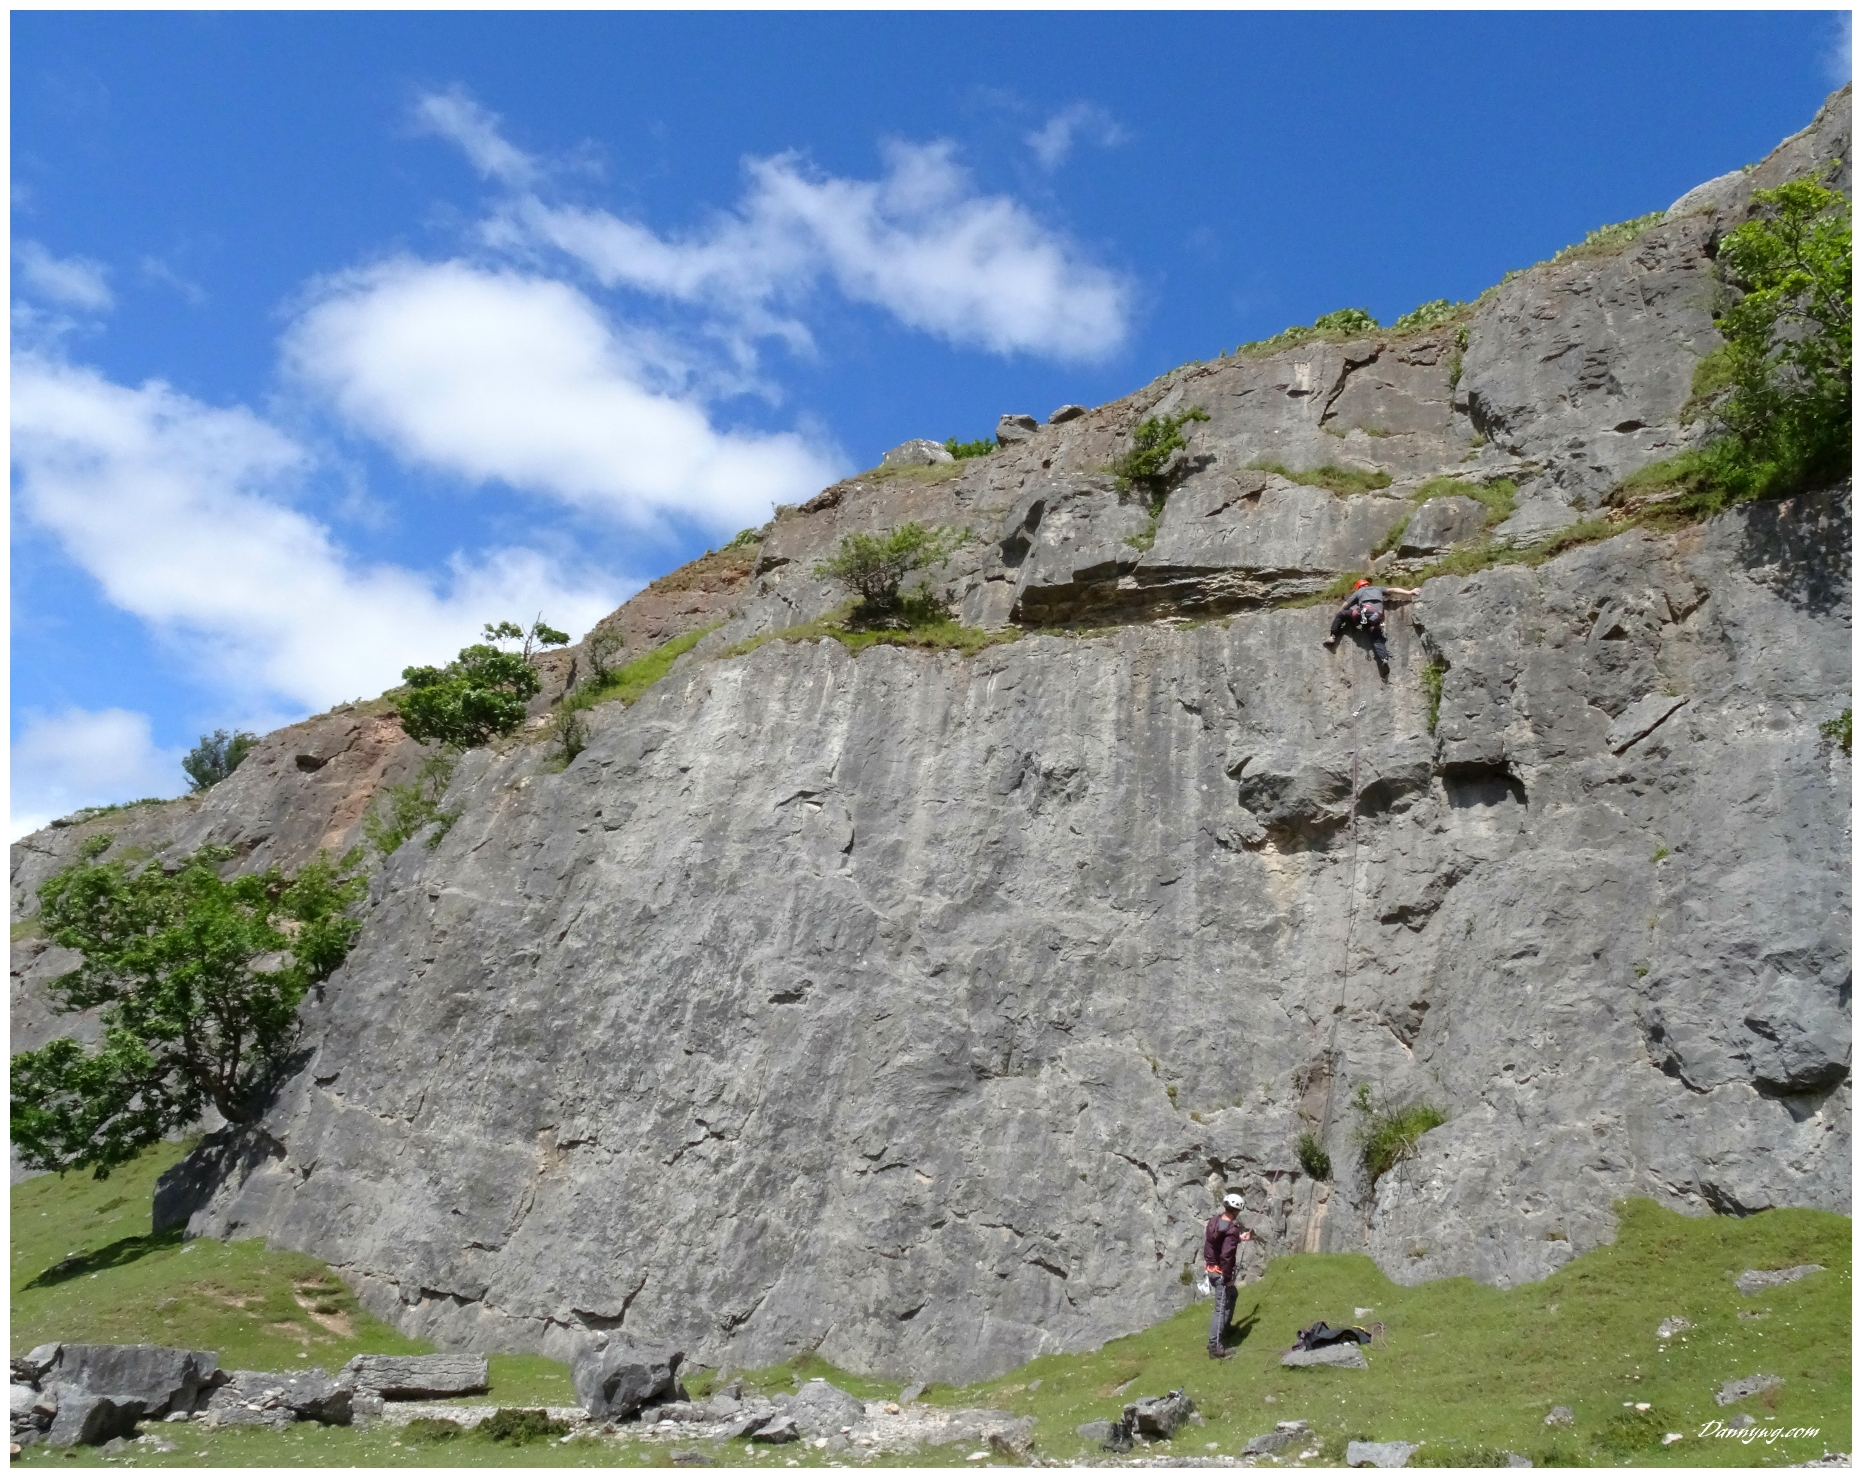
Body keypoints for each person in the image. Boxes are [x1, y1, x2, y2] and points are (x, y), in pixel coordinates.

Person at [1202, 1191, 1253, 1358]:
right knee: (1220, 1308)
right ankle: (1214, 1347)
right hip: (1220, 1273)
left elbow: (1220, 1239)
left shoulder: (1215, 1221)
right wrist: (1227, 1276)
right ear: (1236, 1211)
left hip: (1211, 1268)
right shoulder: (1231, 1230)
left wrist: (1238, 1238)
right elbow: (1226, 1255)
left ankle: (1225, 1328)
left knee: (1232, 1294)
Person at [1322, 580, 1419, 667]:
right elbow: (1393, 589)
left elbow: (1345, 605)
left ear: (1358, 587)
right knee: (1376, 638)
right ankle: (1383, 659)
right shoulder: (1378, 589)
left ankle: (1333, 636)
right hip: (1376, 617)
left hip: (1363, 614)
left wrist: (1339, 613)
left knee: (1342, 615)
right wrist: (1410, 592)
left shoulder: (1360, 591)